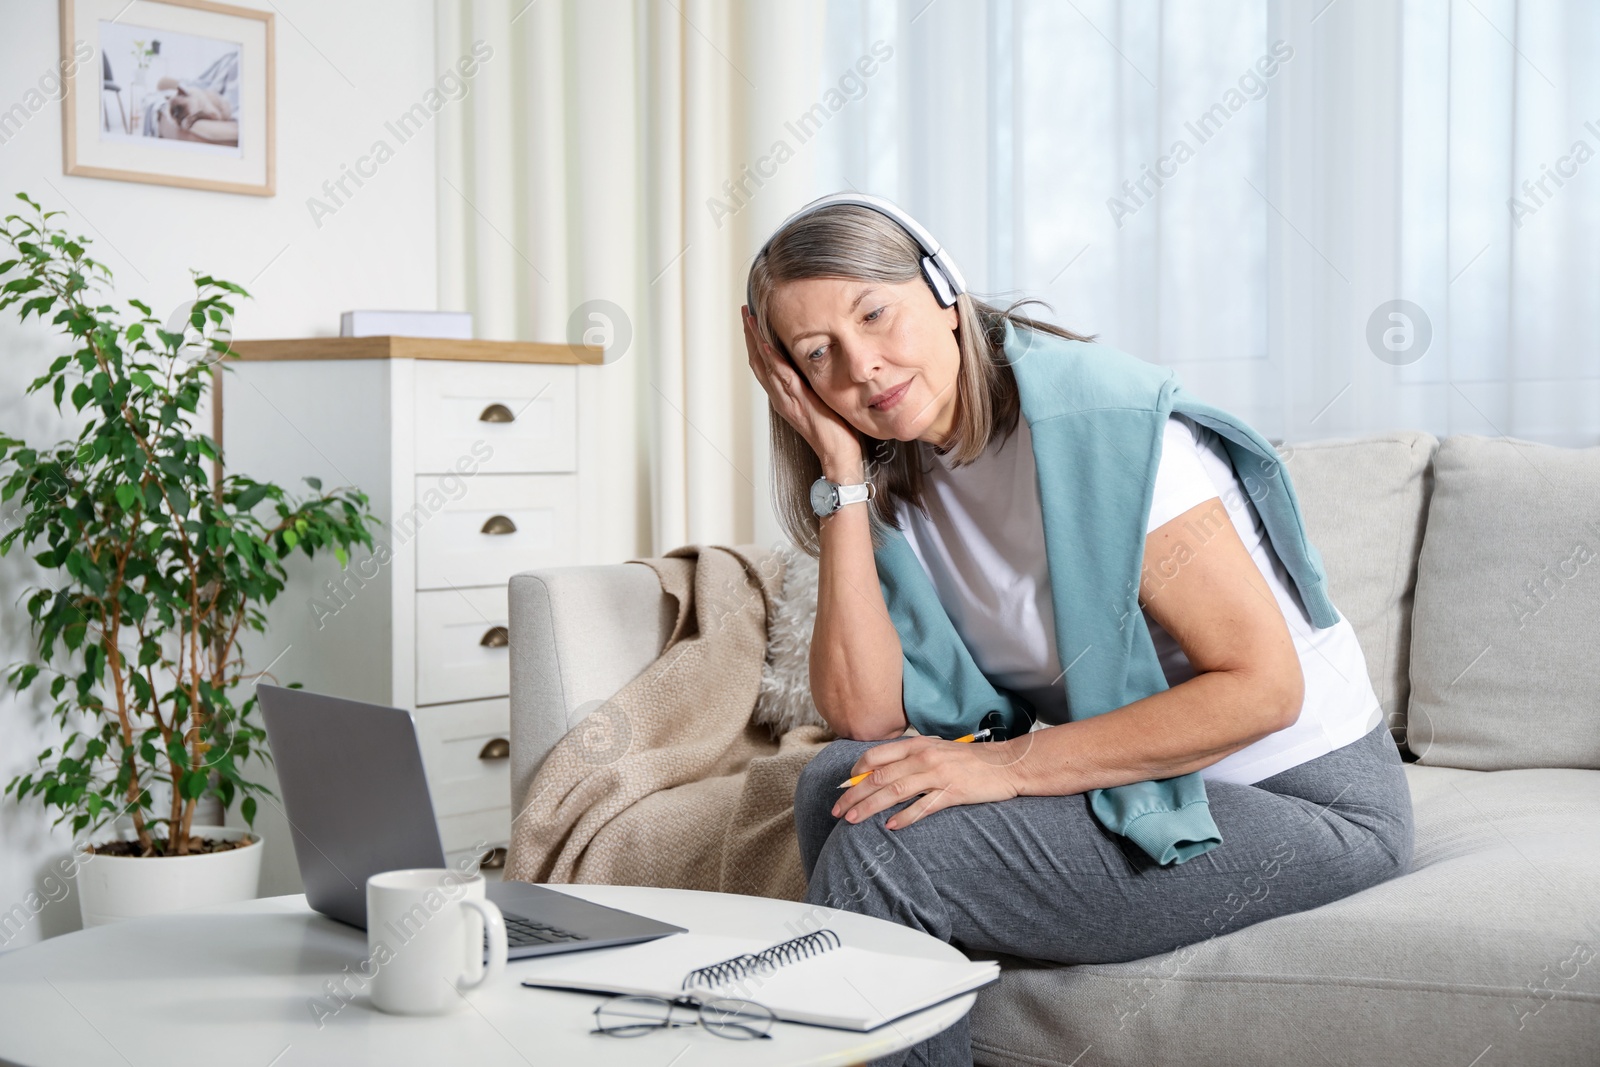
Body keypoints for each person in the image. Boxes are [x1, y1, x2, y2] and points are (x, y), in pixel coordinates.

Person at [742, 194, 1415, 1067]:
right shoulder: (897, 479)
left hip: (1305, 798)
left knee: (894, 851)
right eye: (818, 354)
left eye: (875, 313)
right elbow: (864, 716)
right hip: (1159, 780)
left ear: (944, 291)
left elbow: (1264, 688)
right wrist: (840, 473)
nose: (863, 368)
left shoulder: (1110, 432)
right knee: (842, 781)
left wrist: (1001, 766)